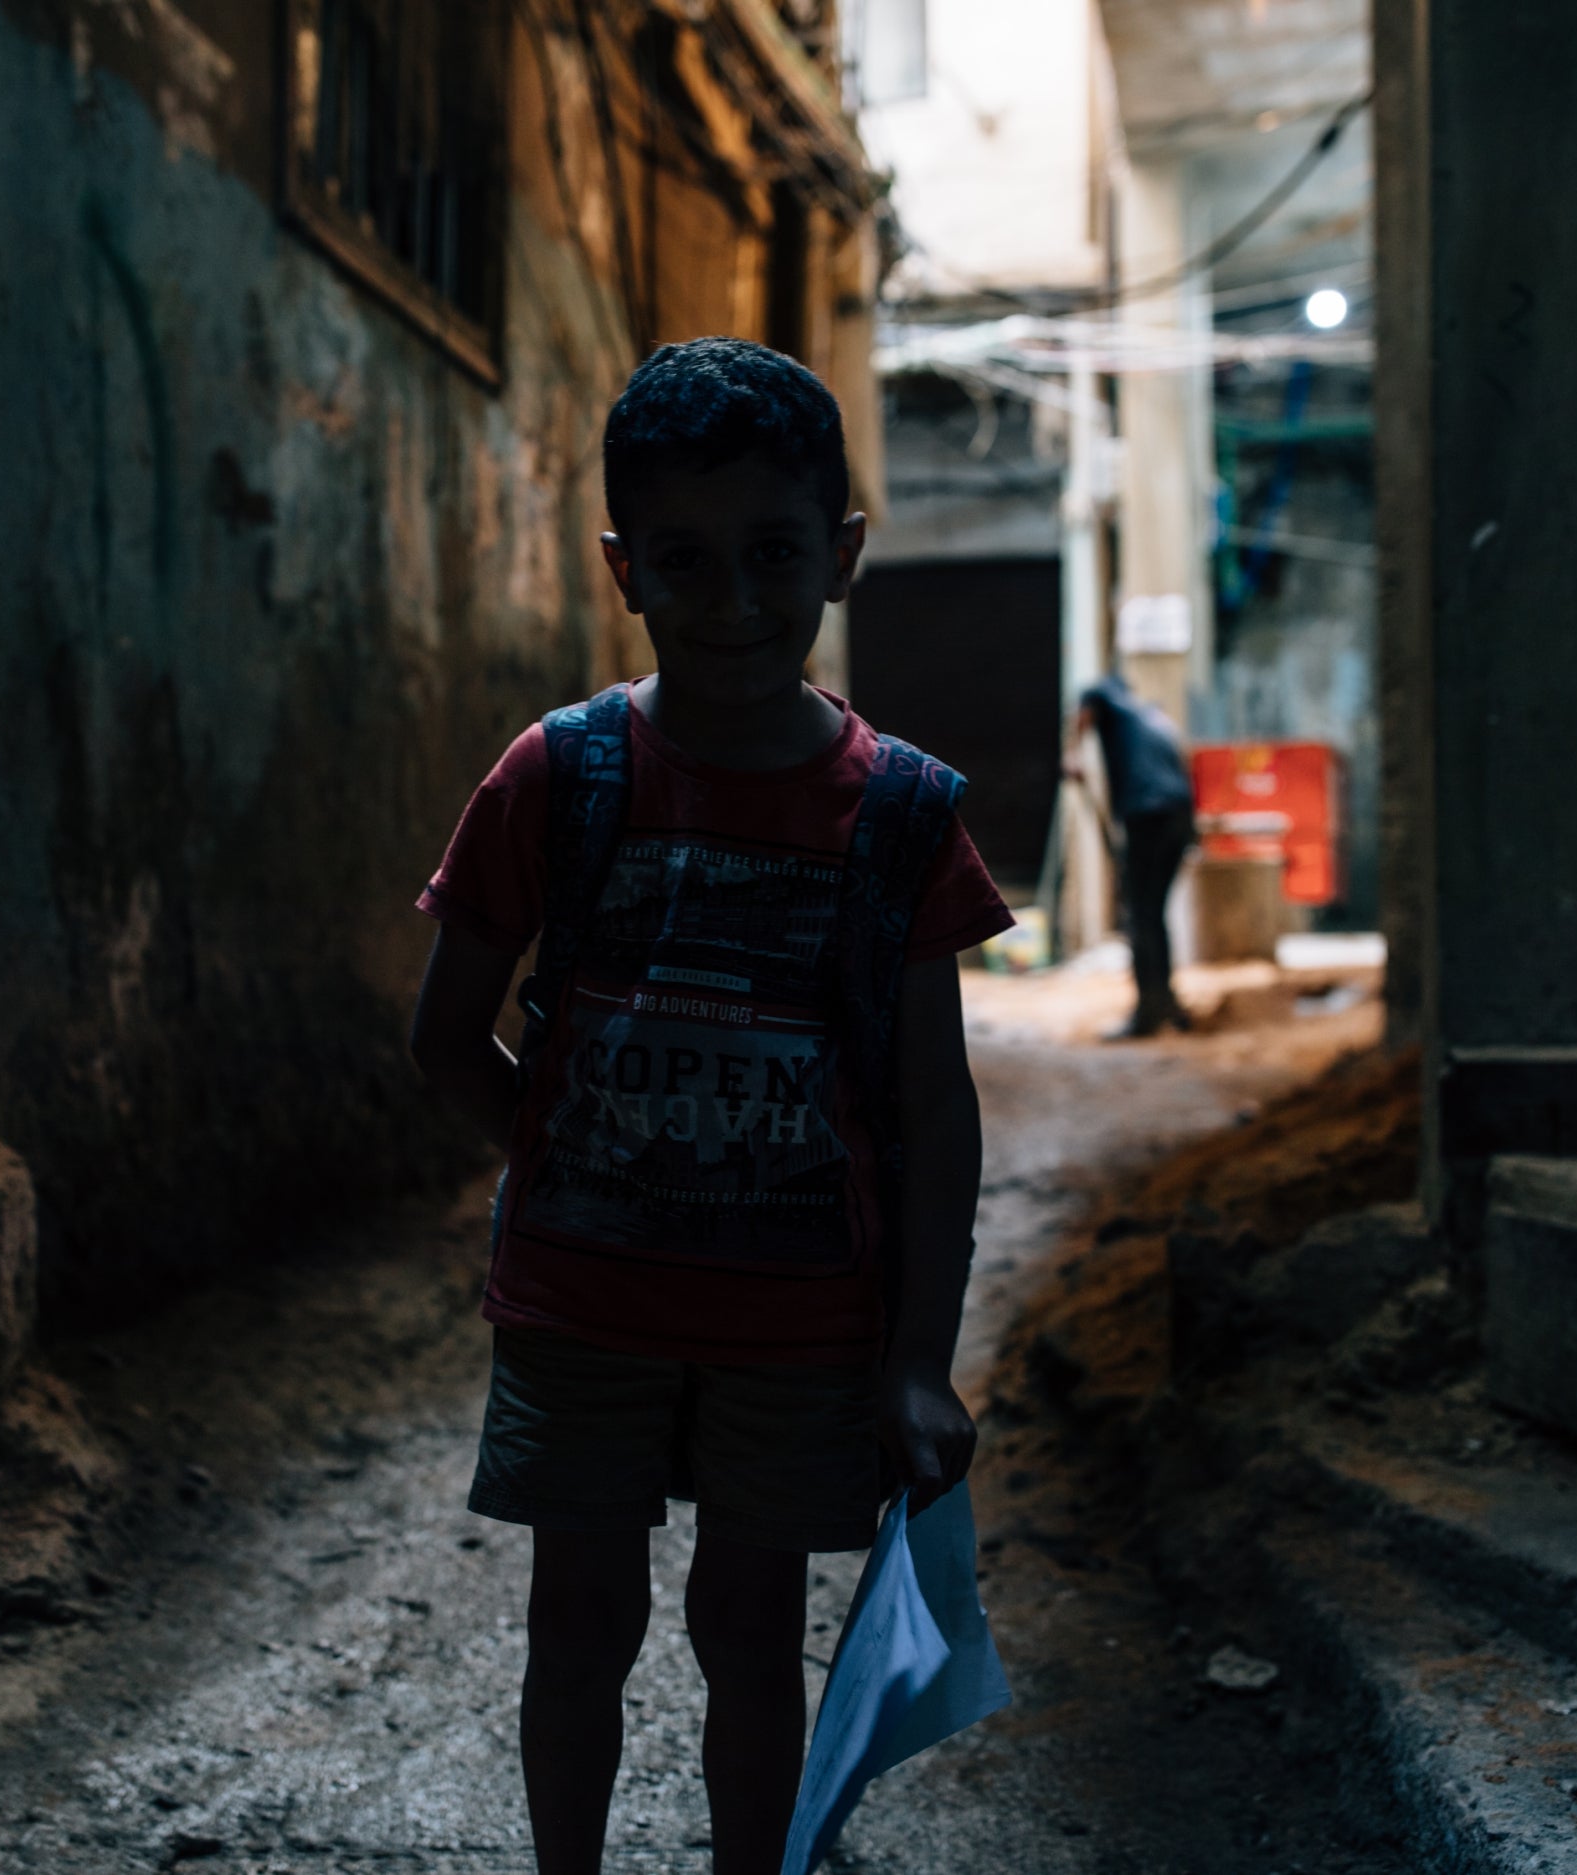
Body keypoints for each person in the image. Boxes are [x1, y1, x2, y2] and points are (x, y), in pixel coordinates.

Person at [409, 337, 1014, 1875]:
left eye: (773, 556)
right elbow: (444, 1033)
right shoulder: (561, 776)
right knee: (582, 1617)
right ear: (624, 568)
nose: (733, 601)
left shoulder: (900, 815)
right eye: (685, 560)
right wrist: (572, 1175)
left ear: (843, 556)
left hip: (800, 1332)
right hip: (584, 1310)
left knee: (751, 1627)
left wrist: (919, 1361)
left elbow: (936, 1118)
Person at [1072, 671, 1195, 1037]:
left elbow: (1085, 711)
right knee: (1153, 913)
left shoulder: (1104, 702)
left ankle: (1148, 1013)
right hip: (1180, 815)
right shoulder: (1147, 715)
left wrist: (1073, 753)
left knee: (1140, 915)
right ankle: (1166, 1001)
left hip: (1149, 816)